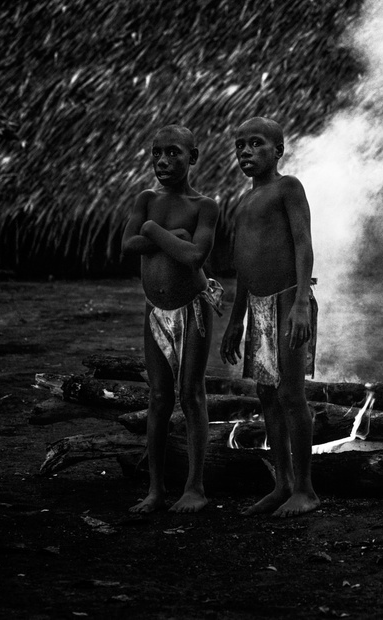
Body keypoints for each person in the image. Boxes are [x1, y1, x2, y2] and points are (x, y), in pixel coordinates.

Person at [220, 116, 320, 518]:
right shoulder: (243, 202)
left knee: (291, 395)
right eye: (240, 145)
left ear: (277, 150)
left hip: (286, 301)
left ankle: (307, 490)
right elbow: (244, 266)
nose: (245, 151)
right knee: (265, 394)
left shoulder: (288, 187)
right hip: (258, 307)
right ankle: (282, 484)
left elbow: (303, 245)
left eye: (256, 143)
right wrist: (235, 318)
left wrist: (300, 303)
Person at [122, 124, 221, 514]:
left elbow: (194, 257)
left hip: (192, 308)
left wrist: (153, 231)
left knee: (191, 394)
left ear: (193, 157)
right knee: (159, 397)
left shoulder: (205, 206)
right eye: (157, 152)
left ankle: (195, 487)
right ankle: (155, 490)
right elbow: (128, 245)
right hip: (154, 311)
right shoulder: (146, 199)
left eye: (174, 152)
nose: (163, 160)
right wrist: (172, 233)